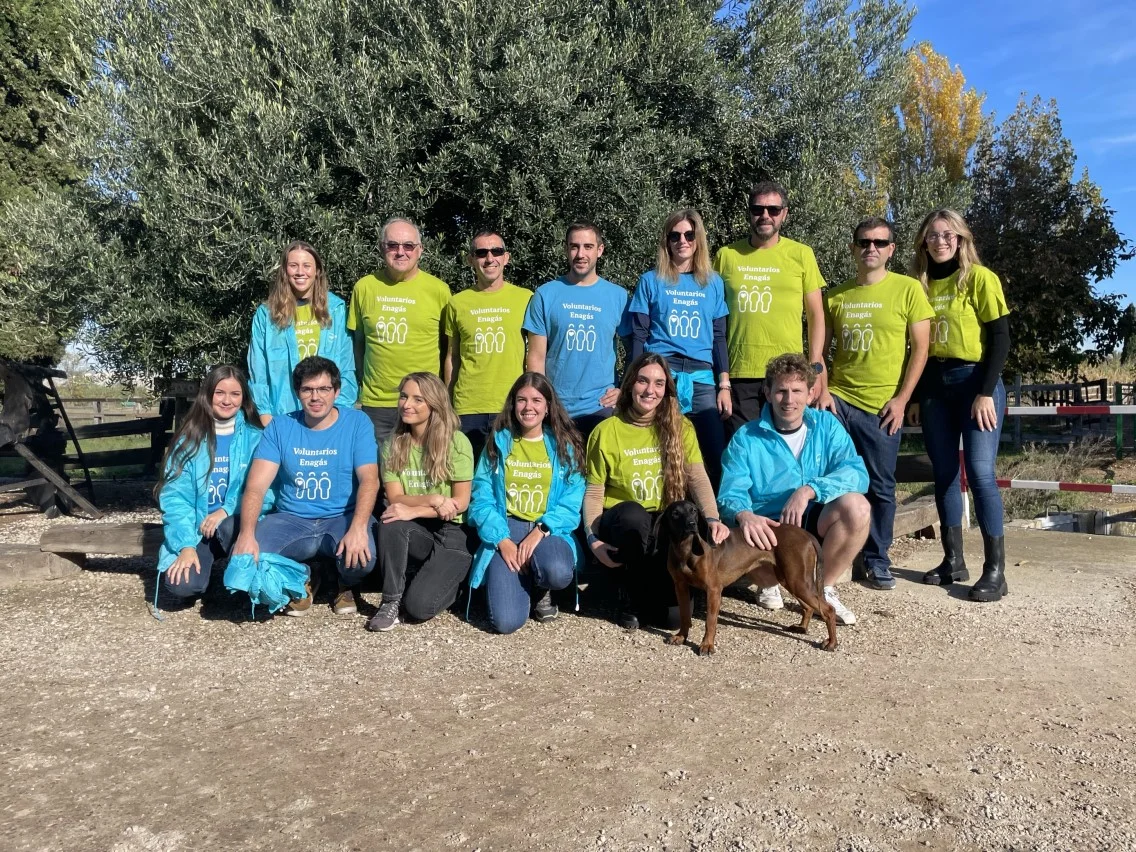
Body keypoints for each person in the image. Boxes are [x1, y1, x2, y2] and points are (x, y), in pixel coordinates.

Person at [819, 218, 933, 590]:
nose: (871, 248)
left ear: (891, 249)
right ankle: (828, 559)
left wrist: (902, 399)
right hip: (838, 403)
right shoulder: (835, 295)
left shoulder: (908, 290)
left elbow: (921, 349)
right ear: (853, 248)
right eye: (864, 242)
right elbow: (819, 349)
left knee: (881, 486)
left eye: (879, 243)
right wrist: (822, 392)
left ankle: (877, 559)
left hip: (882, 406)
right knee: (831, 483)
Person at [717, 353, 871, 625]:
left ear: (811, 393)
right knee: (748, 534)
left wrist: (809, 489)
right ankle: (769, 582)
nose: (789, 400)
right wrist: (745, 515)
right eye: (781, 391)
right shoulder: (746, 437)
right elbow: (731, 491)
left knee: (857, 507)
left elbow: (856, 473)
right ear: (767, 392)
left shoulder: (827, 426)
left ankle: (823, 588)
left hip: (812, 517)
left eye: (797, 391)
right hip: (768, 529)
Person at [584, 352, 729, 629]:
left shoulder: (680, 427)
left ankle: (651, 592)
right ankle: (627, 591)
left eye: (659, 384)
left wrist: (712, 518)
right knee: (634, 515)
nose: (650, 390)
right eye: (643, 381)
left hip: (664, 526)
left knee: (673, 621)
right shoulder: (606, 430)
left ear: (667, 390)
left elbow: (697, 477)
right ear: (629, 385)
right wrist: (594, 540)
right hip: (625, 524)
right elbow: (593, 493)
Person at [910, 209, 1012, 602]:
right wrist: (917, 395)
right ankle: (953, 560)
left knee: (982, 473)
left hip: (975, 384)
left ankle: (996, 571)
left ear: (961, 239)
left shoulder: (980, 279)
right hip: (935, 388)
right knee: (945, 474)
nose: (941, 241)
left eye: (948, 235)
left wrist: (985, 392)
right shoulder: (917, 285)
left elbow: (1000, 338)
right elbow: (915, 347)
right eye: (933, 235)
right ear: (924, 242)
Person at [232, 356, 379, 616]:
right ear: (297, 392)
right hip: (292, 518)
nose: (315, 397)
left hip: (341, 517)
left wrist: (357, 527)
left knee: (363, 559)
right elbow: (256, 487)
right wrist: (246, 534)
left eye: (323, 389)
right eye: (307, 389)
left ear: (337, 391)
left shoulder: (357, 423)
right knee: (249, 558)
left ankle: (342, 581)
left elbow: (369, 479)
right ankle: (304, 576)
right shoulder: (281, 426)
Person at [467, 373, 586, 634]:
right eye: (521, 400)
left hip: (548, 529)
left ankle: (541, 588)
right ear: (513, 404)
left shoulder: (564, 446)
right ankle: (516, 583)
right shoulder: (498, 442)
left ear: (548, 406)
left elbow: (571, 502)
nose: (528, 407)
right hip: (507, 527)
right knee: (505, 622)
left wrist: (541, 530)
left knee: (556, 571)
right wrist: (502, 540)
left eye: (536, 400)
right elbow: (481, 497)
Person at [714, 180, 827, 434]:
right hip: (740, 373)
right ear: (749, 213)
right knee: (746, 451)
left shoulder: (802, 254)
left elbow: (816, 316)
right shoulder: (726, 256)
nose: (765, 215)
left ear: (784, 214)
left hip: (789, 374)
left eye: (773, 210)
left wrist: (815, 369)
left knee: (786, 449)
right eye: (758, 209)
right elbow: (714, 318)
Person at [628, 209, 731, 489]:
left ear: (698, 239)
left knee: (713, 456)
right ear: (667, 241)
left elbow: (718, 337)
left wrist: (725, 385)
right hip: (663, 376)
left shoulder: (713, 283)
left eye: (688, 234)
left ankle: (712, 524)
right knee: (659, 454)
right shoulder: (650, 280)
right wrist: (632, 383)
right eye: (674, 236)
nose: (682, 241)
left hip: (702, 380)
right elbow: (638, 335)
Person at [369, 372, 477, 632]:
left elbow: (459, 503)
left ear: (434, 404)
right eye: (404, 397)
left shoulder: (456, 442)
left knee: (418, 607)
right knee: (392, 519)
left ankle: (454, 583)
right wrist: (434, 498)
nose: (407, 404)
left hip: (452, 530)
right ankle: (390, 601)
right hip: (418, 528)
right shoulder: (393, 445)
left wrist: (416, 508)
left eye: (418, 399)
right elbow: (395, 498)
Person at [156, 365, 268, 601]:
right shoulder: (189, 440)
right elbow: (175, 497)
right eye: (220, 393)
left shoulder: (257, 438)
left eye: (235, 394)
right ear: (207, 395)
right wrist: (186, 545)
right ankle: (202, 565)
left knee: (255, 578)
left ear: (243, 398)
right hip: (199, 531)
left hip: (238, 526)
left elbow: (268, 493)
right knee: (182, 585)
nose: (227, 400)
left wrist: (226, 510)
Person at [524, 220, 629, 442]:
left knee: (598, 476)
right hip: (556, 408)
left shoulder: (618, 297)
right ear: (566, 249)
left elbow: (636, 349)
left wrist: (625, 389)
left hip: (601, 408)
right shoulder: (545, 294)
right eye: (574, 247)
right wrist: (541, 401)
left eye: (588, 247)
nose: (580, 254)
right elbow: (535, 356)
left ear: (600, 250)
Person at [348, 217, 452, 440]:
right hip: (377, 404)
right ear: (381, 248)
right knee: (377, 473)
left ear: (420, 250)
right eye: (392, 245)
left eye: (408, 246)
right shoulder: (364, 287)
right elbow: (358, 344)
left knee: (423, 473)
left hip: (425, 403)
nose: (400, 252)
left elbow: (448, 350)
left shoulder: (440, 291)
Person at [444, 229, 532, 461]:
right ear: (471, 259)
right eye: (481, 252)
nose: (489, 258)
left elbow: (537, 353)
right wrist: (446, 403)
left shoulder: (526, 298)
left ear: (506, 257)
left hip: (512, 404)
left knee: (510, 477)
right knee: (467, 479)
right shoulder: (457, 303)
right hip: (468, 406)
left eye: (496, 251)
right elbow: (452, 358)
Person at [247, 240, 357, 423]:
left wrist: (339, 413)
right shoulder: (266, 314)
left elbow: (346, 367)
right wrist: (265, 414)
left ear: (317, 271)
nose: (300, 272)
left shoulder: (336, 310)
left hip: (328, 416)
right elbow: (258, 370)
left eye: (307, 266)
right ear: (284, 271)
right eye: (293, 266)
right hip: (282, 416)